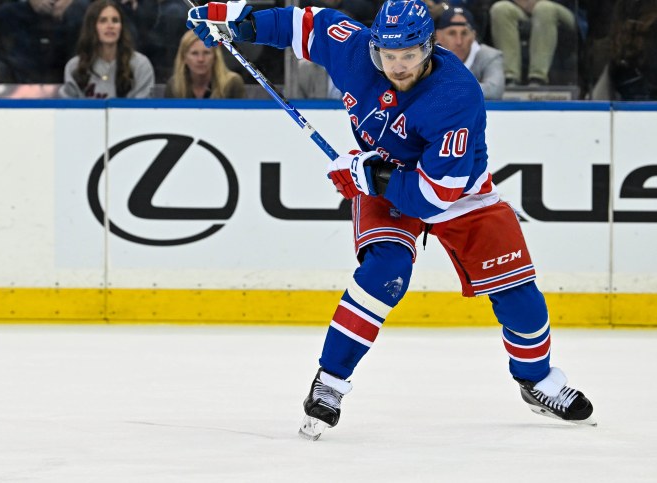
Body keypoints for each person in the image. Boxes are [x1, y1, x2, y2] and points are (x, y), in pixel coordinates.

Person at [187, 0, 595, 440]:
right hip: (385, 178)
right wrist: (238, 25)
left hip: (457, 192)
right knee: (385, 272)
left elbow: (435, 196)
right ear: (375, 47)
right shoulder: (356, 49)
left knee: (518, 292)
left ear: (429, 48)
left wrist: (369, 175)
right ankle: (330, 383)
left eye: (409, 57)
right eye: (388, 56)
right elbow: (302, 23)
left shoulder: (455, 94)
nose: (398, 67)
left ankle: (536, 379)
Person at [59, 0, 154, 98]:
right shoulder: (74, 67)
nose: (110, 26)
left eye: (115, 20)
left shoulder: (140, 66)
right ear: (92, 27)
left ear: (121, 27)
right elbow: (68, 109)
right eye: (103, 20)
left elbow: (141, 110)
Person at [0, 0, 90, 82]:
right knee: (5, 13)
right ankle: (24, 83)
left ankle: (74, 82)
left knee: (82, 11)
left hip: (72, 11)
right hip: (24, 10)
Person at [489, 0, 576, 85]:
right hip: (520, 6)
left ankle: (538, 77)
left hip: (564, 8)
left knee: (544, 8)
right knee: (501, 9)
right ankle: (510, 77)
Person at [435, 6, 505, 99]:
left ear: (473, 36)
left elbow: (494, 91)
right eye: (452, 33)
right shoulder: (426, 58)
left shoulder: (490, 56)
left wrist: (449, 88)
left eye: (464, 33)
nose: (459, 42)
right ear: (439, 36)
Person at [165, 30, 244, 98]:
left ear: (215, 57)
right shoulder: (174, 86)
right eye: (194, 53)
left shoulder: (232, 83)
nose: (201, 59)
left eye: (206, 53)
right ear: (184, 58)